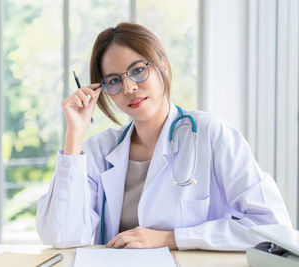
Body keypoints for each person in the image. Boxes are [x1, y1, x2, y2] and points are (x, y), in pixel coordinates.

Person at [36, 22, 291, 250]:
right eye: (114, 80)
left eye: (138, 70)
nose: (129, 88)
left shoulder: (211, 134)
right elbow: (61, 236)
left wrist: (171, 238)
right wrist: (75, 134)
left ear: (163, 66)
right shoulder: (99, 149)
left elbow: (272, 228)